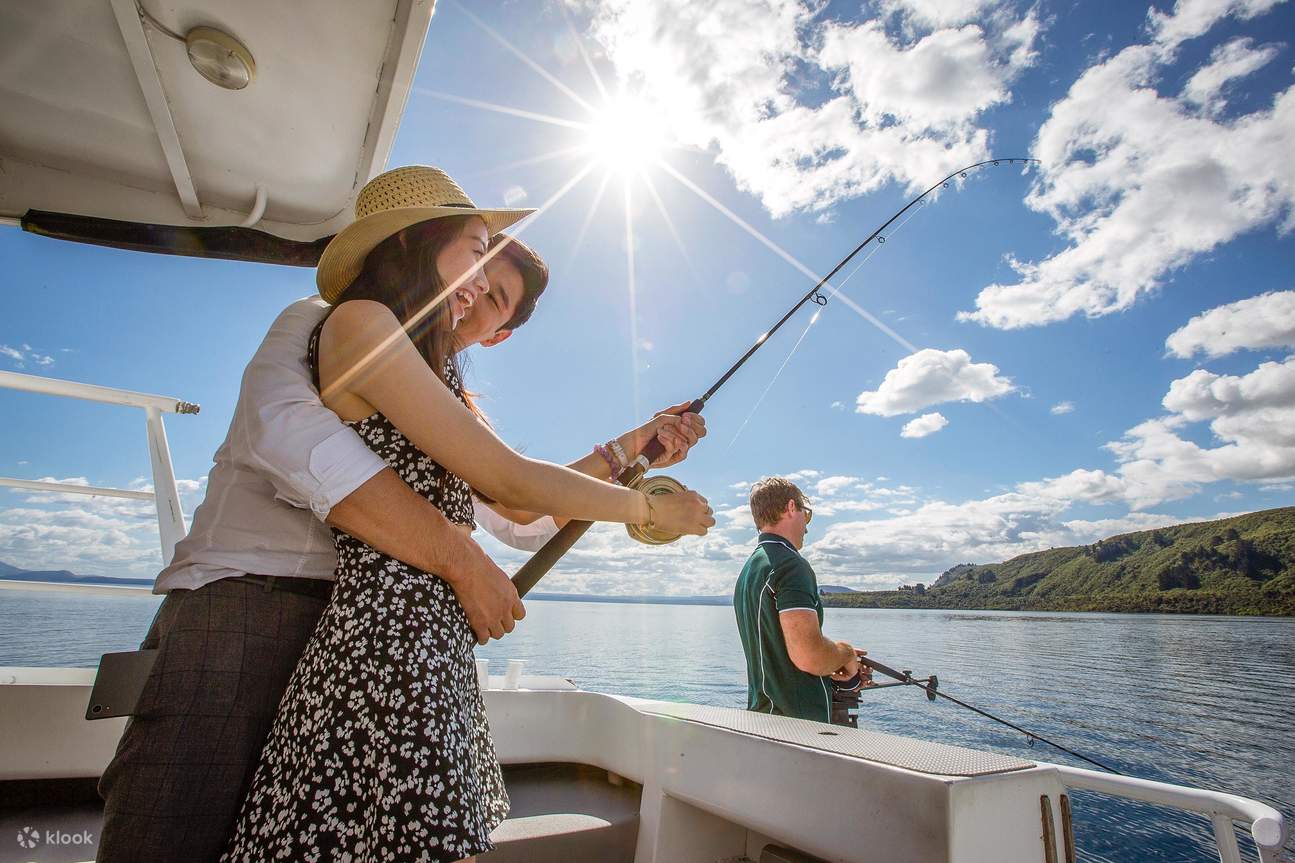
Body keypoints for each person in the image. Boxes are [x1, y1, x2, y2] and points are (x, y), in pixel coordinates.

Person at [96, 167, 709, 863]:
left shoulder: (437, 382)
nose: (478, 290)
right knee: (172, 827)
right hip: (248, 605)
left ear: (503, 334)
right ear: (417, 243)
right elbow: (284, 435)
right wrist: (642, 509)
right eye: (475, 255)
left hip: (358, 624)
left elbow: (515, 507)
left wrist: (635, 451)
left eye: (496, 293)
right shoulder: (327, 319)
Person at [733, 477, 869, 724]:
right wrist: (846, 654)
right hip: (799, 725)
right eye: (807, 516)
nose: (806, 527)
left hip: (763, 717)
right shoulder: (791, 565)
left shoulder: (751, 568)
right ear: (791, 507)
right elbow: (809, 656)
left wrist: (834, 658)